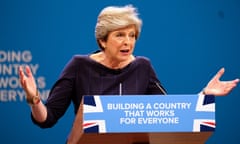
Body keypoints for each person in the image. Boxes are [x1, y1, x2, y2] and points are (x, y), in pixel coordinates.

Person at [18, 4, 239, 143]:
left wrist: (204, 94)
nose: (128, 42)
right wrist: (33, 98)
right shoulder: (79, 66)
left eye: (132, 35)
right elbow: (47, 119)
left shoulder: (142, 67)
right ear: (102, 40)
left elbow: (168, 115)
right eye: (120, 35)